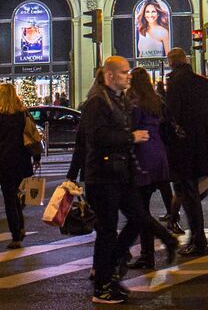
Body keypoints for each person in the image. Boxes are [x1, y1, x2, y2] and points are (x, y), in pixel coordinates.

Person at [78, 56, 148, 304]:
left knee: (139, 218)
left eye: (128, 72)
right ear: (109, 76)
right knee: (107, 231)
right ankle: (103, 287)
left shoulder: (118, 99)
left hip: (120, 173)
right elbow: (96, 137)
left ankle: (108, 269)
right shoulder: (97, 102)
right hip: (103, 175)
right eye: (123, 72)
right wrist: (131, 137)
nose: (128, 75)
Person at [163, 47, 208, 256]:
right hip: (202, 146)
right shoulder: (203, 82)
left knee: (189, 196)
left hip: (182, 149)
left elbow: (171, 116)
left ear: (171, 62)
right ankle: (198, 238)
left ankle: (199, 240)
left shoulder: (175, 83)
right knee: (192, 193)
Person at [128, 67, 181, 269]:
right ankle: (149, 253)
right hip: (159, 155)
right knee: (142, 207)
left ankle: (151, 252)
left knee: (140, 209)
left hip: (143, 158)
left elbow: (132, 131)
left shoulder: (135, 104)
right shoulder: (157, 101)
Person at [0, 84, 39, 249]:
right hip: (21, 160)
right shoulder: (21, 114)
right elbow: (32, 134)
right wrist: (36, 156)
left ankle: (16, 235)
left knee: (9, 198)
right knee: (14, 194)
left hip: (3, 161)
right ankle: (20, 226)